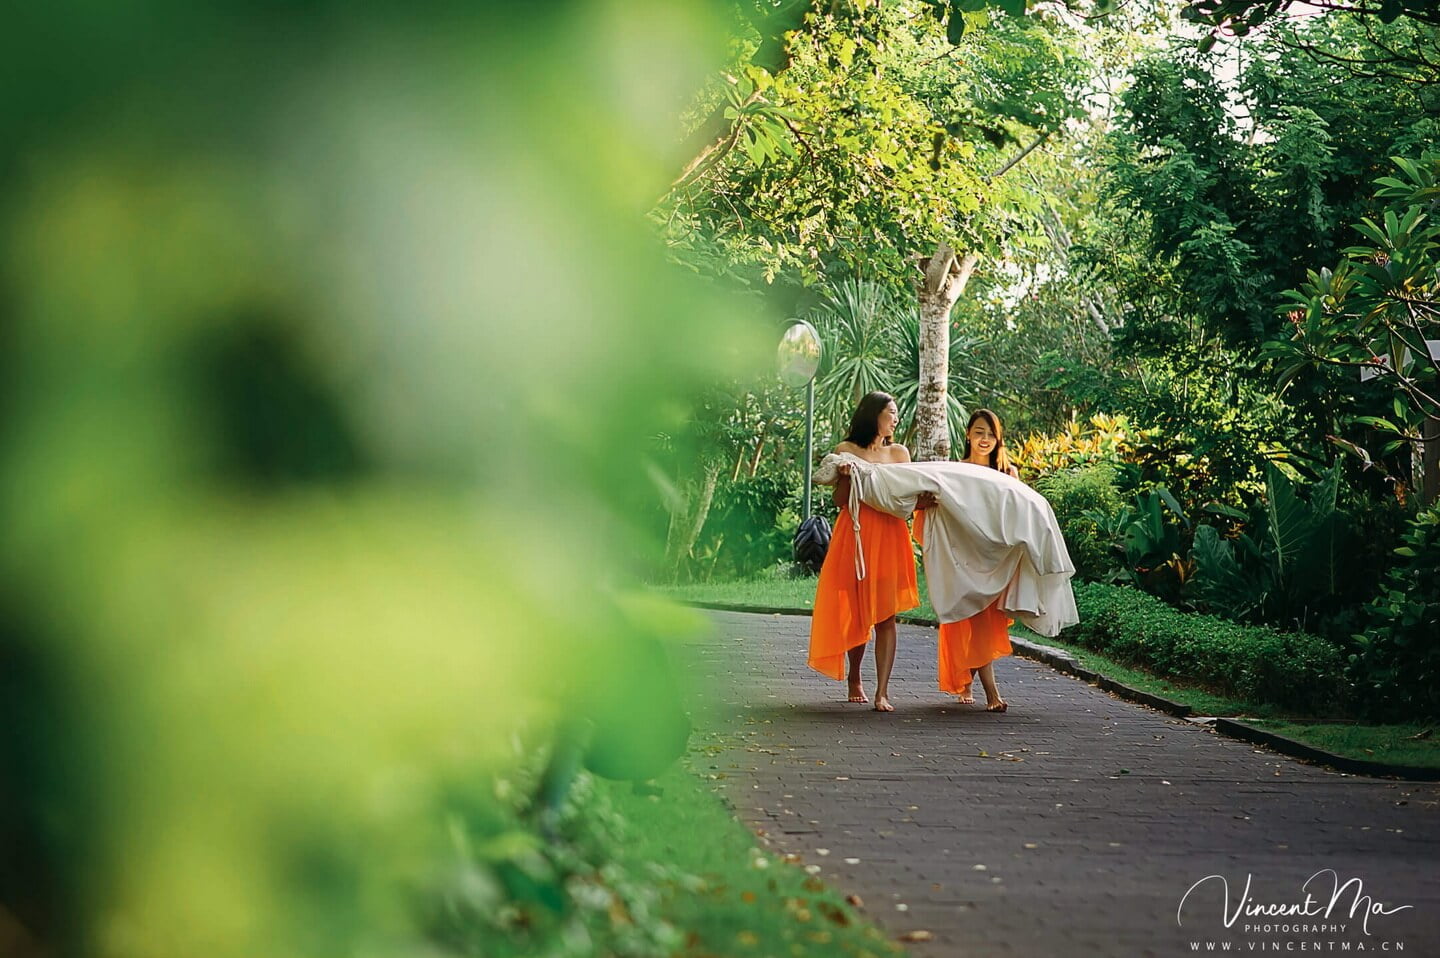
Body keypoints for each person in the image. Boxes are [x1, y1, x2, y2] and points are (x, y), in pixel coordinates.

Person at [807, 391, 935, 712]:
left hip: (891, 537)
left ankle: (882, 691)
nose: (895, 418)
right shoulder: (846, 451)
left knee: (886, 615)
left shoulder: (900, 453)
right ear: (873, 415)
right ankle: (854, 678)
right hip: (855, 534)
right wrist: (848, 480)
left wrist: (927, 501)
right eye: (891, 412)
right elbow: (839, 501)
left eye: (895, 413)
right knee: (856, 609)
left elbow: (905, 500)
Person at [920, 409, 1019, 712]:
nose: (984, 439)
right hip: (963, 563)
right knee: (973, 621)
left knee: (984, 625)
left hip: (996, 561)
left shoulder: (1007, 473)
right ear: (967, 434)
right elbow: (936, 506)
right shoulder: (955, 471)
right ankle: (992, 692)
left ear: (997, 437)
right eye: (978, 431)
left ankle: (966, 680)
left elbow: (1021, 513)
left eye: (990, 433)